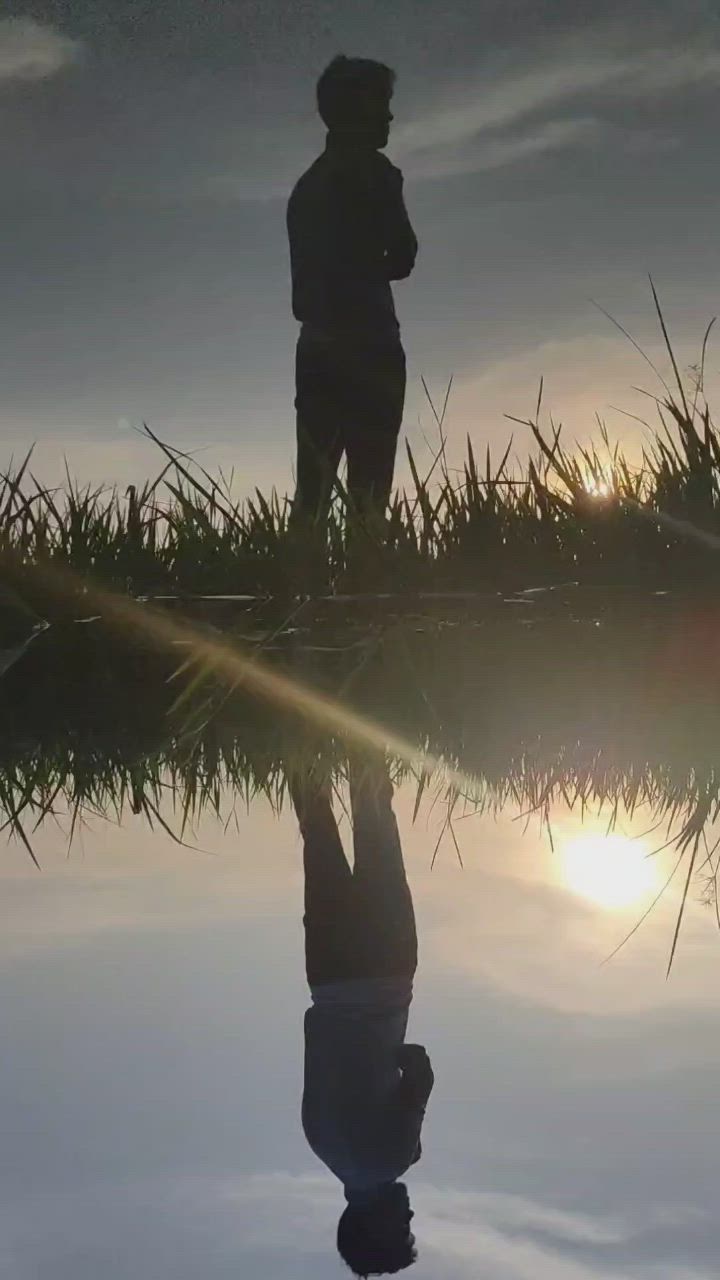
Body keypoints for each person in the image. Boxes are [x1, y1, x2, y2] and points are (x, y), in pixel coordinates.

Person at [289, 756, 434, 1276]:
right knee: (317, 826)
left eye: (404, 1227)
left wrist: (410, 1137)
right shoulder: (319, 1142)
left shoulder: (392, 1158)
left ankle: (365, 710)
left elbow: (418, 1068)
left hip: (387, 970)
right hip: (325, 973)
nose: (411, 1214)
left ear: (375, 1225)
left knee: (375, 821)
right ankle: (293, 720)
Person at [287, 55, 418, 545]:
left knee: (312, 494)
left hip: (317, 345)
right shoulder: (378, 174)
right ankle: (367, 602)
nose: (389, 117)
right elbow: (404, 256)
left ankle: (301, 597)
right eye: (381, 105)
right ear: (352, 110)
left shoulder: (306, 187)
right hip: (370, 342)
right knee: (369, 493)